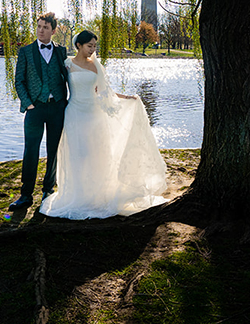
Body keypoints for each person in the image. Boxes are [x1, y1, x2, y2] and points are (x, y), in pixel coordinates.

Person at [40, 30, 168, 219]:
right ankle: (78, 195)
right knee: (77, 154)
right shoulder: (67, 64)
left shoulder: (96, 66)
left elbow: (106, 91)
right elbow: (56, 83)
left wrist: (127, 98)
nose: (92, 49)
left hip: (94, 115)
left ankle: (97, 195)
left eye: (94, 46)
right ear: (79, 46)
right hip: (75, 113)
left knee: (97, 153)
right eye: (89, 45)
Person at [10, 12, 68, 210]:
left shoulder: (61, 51)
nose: (41, 30)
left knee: (54, 150)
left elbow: (68, 77)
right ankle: (25, 195)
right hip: (35, 108)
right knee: (31, 150)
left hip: (57, 107)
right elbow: (19, 81)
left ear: (53, 30)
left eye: (45, 27)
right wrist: (28, 103)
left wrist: (68, 102)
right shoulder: (25, 51)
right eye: (39, 26)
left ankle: (48, 190)